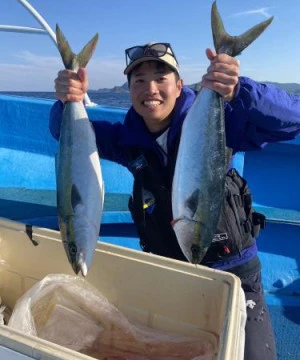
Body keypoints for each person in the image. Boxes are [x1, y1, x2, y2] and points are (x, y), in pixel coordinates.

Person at [49, 42, 300, 360]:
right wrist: (67, 99)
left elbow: (293, 120)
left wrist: (239, 90)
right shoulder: (127, 140)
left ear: (180, 85)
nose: (149, 89)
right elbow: (63, 129)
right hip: (171, 273)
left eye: (160, 78)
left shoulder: (220, 121)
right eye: (138, 81)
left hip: (235, 273)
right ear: (129, 91)